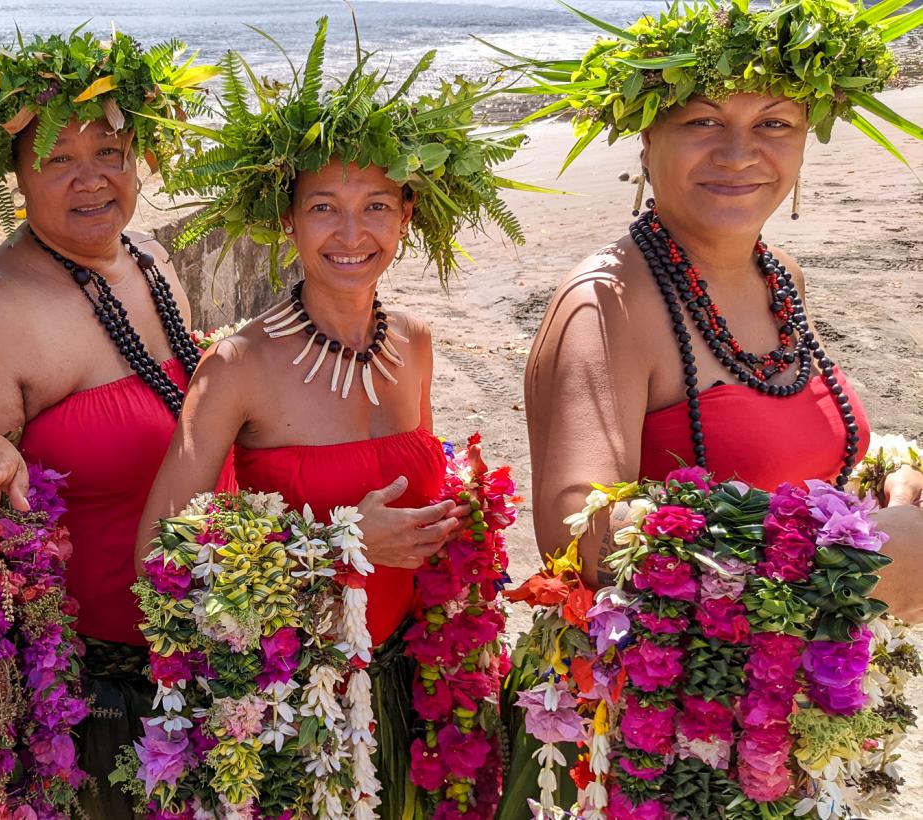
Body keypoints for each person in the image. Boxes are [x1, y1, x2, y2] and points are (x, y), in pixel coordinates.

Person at [491, 0, 923, 814]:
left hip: (776, 707)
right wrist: (858, 561)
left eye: (775, 122)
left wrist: (877, 488)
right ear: (642, 138)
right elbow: (576, 533)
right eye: (700, 121)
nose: (739, 153)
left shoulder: (777, 274)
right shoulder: (605, 303)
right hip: (661, 735)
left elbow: (775, 448)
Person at [133, 20, 522, 818]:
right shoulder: (238, 364)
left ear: (408, 214)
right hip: (294, 706)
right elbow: (157, 556)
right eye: (323, 208)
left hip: (413, 691)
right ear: (288, 221)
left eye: (376, 205)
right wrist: (340, 546)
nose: (352, 234)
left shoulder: (413, 342)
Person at [0, 30, 216, 817]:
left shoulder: (146, 257)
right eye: (56, 158)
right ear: (11, 174)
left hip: (212, 643)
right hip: (93, 692)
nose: (91, 180)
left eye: (110, 151)